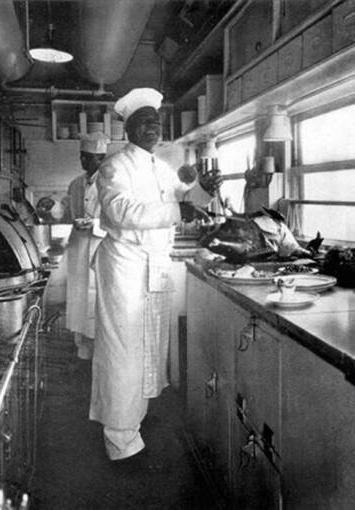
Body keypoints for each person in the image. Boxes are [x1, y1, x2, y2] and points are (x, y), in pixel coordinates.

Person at [90, 88, 223, 461]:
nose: (154, 126)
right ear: (129, 128)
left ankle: (132, 425)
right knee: (123, 352)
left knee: (147, 347)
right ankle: (118, 440)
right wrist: (181, 207)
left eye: (157, 121)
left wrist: (202, 192)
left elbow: (183, 202)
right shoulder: (113, 167)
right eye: (145, 120)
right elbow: (121, 212)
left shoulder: (159, 167)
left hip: (153, 265)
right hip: (126, 267)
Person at [65, 132, 109, 361]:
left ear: (100, 159)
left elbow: (115, 220)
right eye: (82, 156)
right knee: (78, 296)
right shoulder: (75, 183)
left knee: (96, 297)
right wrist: (51, 210)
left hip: (99, 247)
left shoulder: (109, 184)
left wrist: (94, 223)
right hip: (78, 246)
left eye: (88, 157)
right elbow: (64, 211)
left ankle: (99, 350)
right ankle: (81, 347)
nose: (83, 161)